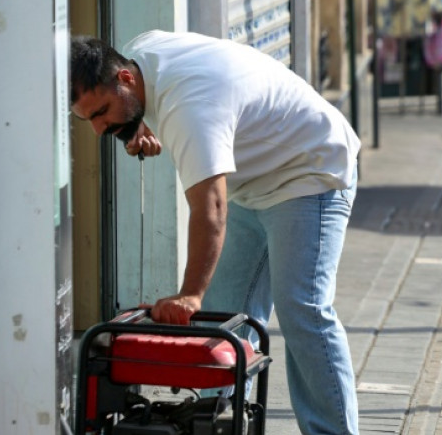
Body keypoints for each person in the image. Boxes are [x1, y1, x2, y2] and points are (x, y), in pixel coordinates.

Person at [70, 31, 362, 435]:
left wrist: (190, 293)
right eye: (90, 120)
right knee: (224, 316)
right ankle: (214, 425)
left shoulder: (190, 107)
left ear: (125, 78)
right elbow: (145, 106)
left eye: (102, 113)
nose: (100, 130)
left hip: (308, 171)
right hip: (252, 182)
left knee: (303, 310)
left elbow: (211, 209)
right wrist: (135, 124)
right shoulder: (140, 54)